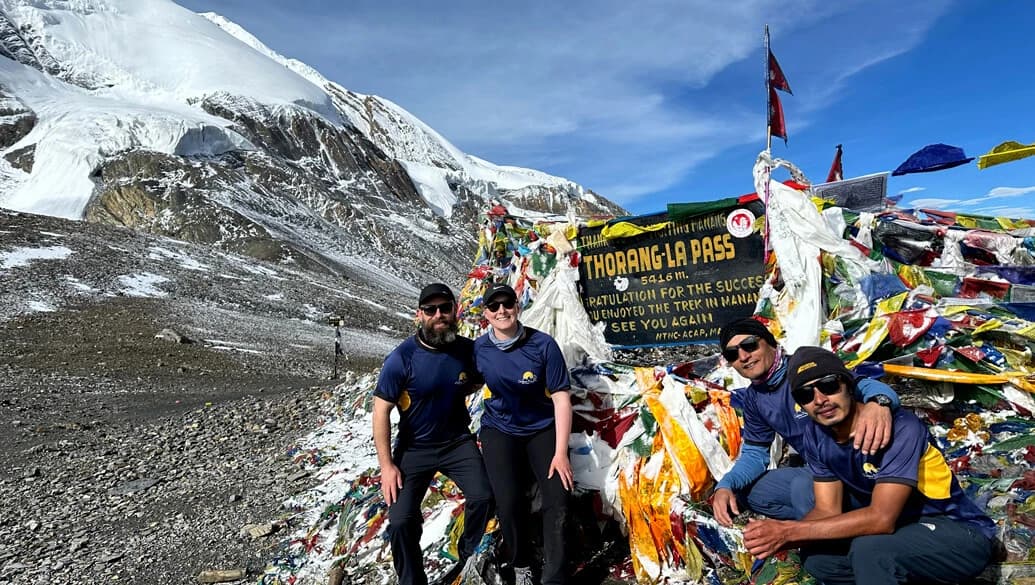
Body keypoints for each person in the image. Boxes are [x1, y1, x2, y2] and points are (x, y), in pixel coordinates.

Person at [743, 346, 995, 584]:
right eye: (806, 394)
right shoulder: (816, 433)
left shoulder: (901, 429)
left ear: (849, 386)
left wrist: (788, 532)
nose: (820, 399)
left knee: (870, 550)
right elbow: (827, 510)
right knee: (819, 560)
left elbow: (881, 519)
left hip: (956, 530)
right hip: (902, 529)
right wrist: (773, 539)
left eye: (829, 385)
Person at [711, 318, 900, 527]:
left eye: (749, 345)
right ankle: (834, 521)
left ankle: (829, 539)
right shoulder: (754, 398)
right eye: (732, 354)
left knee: (803, 488)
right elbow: (756, 454)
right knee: (751, 493)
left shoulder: (803, 368)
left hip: (855, 465)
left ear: (769, 342)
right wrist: (725, 485)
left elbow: (862, 385)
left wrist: (879, 403)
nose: (743, 357)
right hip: (818, 468)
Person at [373, 283, 494, 585]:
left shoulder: (467, 351)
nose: (438, 315)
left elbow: (495, 372)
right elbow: (380, 413)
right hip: (414, 448)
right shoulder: (401, 358)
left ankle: (468, 556)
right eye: (431, 310)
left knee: (483, 496)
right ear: (419, 315)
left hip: (457, 442)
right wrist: (387, 467)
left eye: (445, 308)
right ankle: (412, 579)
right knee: (401, 520)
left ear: (455, 311)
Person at [474, 283, 574, 585]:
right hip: (499, 428)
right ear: (486, 314)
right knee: (507, 498)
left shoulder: (543, 345)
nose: (501, 310)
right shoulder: (479, 349)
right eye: (494, 306)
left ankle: (554, 576)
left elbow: (561, 398)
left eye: (507, 303)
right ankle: (521, 564)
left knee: (558, 496)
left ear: (517, 306)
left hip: (541, 427)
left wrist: (560, 453)